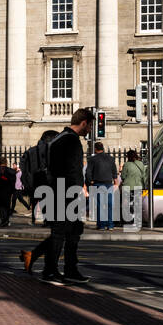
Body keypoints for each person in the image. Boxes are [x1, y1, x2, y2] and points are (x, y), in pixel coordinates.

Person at [41, 110, 92, 285]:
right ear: (84, 123)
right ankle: (53, 270)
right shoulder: (72, 141)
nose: (90, 130)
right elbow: (74, 169)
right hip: (67, 191)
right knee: (64, 232)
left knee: (69, 231)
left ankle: (66, 268)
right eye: (90, 126)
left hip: (56, 188)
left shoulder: (58, 138)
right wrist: (79, 190)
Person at [19, 129, 60, 273]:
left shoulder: (30, 152)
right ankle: (47, 266)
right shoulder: (49, 151)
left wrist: (32, 190)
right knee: (60, 232)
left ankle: (36, 259)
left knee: (58, 232)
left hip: (40, 192)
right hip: (52, 192)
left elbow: (24, 174)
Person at [85, 140, 119, 231]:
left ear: (95, 149)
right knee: (109, 205)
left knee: (100, 205)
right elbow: (114, 171)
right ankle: (110, 225)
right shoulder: (111, 158)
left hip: (98, 183)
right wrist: (115, 181)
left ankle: (101, 225)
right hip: (109, 183)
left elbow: (88, 172)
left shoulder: (92, 159)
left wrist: (90, 182)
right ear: (103, 148)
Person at [119, 149, 147, 231]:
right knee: (137, 205)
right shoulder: (141, 164)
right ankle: (137, 222)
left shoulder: (126, 165)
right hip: (138, 186)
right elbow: (144, 176)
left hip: (128, 187)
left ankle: (127, 221)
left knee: (126, 205)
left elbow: (123, 176)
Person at [0, 157, 16, 227]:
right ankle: (6, 220)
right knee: (7, 206)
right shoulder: (10, 170)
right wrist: (13, 190)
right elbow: (13, 181)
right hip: (8, 191)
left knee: (1, 206)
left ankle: (3, 220)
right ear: (6, 163)